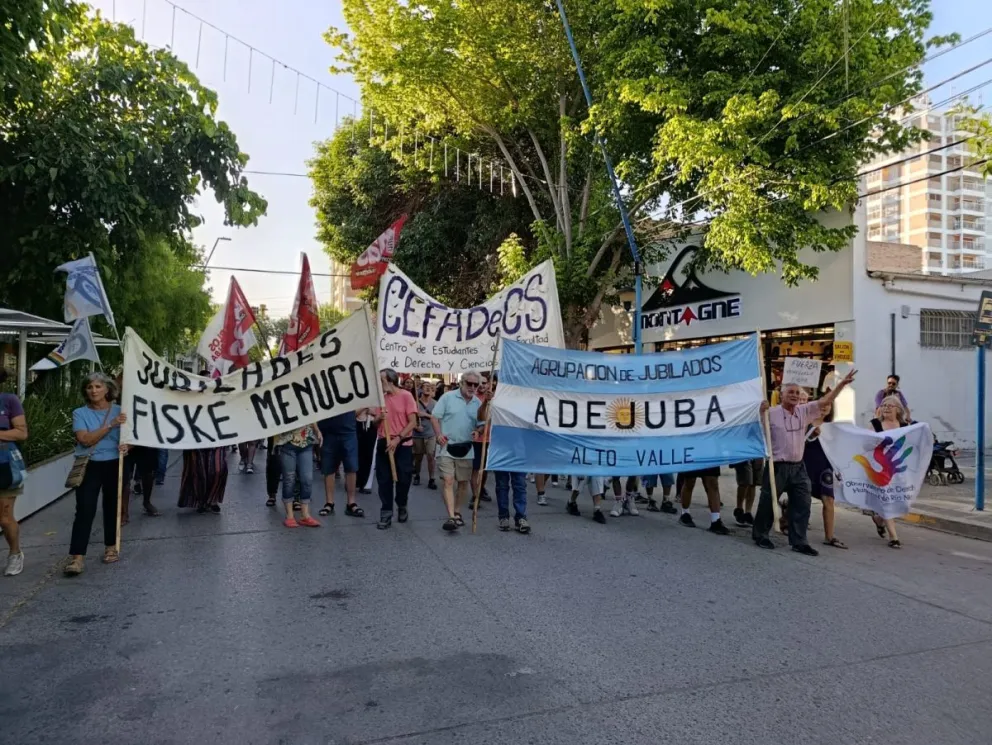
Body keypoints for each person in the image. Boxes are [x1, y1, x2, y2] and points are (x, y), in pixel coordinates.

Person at [752, 371, 857, 554]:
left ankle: (799, 541)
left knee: (802, 503)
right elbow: (755, 429)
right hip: (777, 466)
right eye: (790, 392)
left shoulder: (804, 411)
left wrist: (841, 385)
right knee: (768, 502)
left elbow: (825, 401)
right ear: (781, 395)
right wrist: (760, 411)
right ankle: (761, 535)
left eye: (797, 393)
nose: (794, 395)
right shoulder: (771, 413)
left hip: (798, 466)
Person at [65, 373, 127, 575]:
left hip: (114, 464)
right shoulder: (80, 413)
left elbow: (131, 437)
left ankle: (111, 547)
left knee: (112, 507)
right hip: (89, 465)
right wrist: (111, 425)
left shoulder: (120, 411)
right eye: (90, 387)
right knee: (84, 510)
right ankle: (77, 557)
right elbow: (85, 440)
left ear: (107, 389)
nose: (94, 390)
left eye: (98, 386)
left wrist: (128, 446)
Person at [432, 372, 482, 532]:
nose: (472, 387)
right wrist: (438, 434)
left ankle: (457, 512)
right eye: (469, 383)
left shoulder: (478, 403)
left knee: (463, 483)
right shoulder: (448, 397)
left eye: (476, 385)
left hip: (466, 448)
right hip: (447, 447)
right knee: (448, 481)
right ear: (462, 382)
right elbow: (434, 417)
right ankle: (451, 517)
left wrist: (478, 431)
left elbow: (482, 423)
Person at [178, 370, 230, 516]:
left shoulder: (219, 397)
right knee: (198, 471)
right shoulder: (191, 399)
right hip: (196, 440)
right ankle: (202, 501)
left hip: (217, 439)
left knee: (218, 469)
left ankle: (213, 499)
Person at [478, 387, 529, 534]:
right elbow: (482, 418)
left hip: (519, 451)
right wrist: (486, 402)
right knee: (502, 486)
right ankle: (503, 517)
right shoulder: (495, 403)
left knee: (519, 485)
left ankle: (520, 517)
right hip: (500, 450)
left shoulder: (524, 405)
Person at [373, 368, 417, 530]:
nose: (380, 383)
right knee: (384, 479)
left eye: (382, 380)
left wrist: (398, 438)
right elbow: (374, 424)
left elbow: (413, 422)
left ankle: (402, 503)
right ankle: (386, 512)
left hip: (403, 442)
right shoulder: (381, 399)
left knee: (404, 478)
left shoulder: (406, 396)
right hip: (385, 441)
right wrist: (379, 418)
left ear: (390, 381)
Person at [803, 397, 846, 549]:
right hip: (806, 465)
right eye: (822, 404)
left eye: (828, 405)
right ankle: (790, 523)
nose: (824, 407)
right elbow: (797, 443)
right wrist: (811, 435)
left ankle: (830, 536)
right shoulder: (805, 423)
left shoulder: (833, 428)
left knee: (828, 499)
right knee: (803, 500)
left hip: (826, 468)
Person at [868, 395, 907, 548]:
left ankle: (878, 519)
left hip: (898, 469)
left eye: (890, 406)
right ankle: (893, 537)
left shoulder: (905, 425)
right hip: (880, 468)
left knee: (897, 500)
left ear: (898, 409)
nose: (886, 408)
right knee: (886, 500)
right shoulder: (875, 424)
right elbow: (865, 442)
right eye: (884, 405)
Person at [0, 372, 28, 577]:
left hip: (5, 465)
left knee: (4, 517)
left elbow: (21, 433)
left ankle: (15, 553)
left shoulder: (8, 400)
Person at [317, 411, 364, 518]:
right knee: (328, 468)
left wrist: (359, 410)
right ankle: (329, 502)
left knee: (351, 467)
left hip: (348, 430)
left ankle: (351, 502)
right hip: (328, 430)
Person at [275, 422, 322, 527]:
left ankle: (305, 515)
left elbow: (311, 414)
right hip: (286, 441)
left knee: (307, 479)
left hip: (306, 441)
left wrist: (317, 430)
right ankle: (290, 516)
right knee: (289, 479)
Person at [677, 466, 729, 534]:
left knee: (713, 482)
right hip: (693, 456)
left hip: (709, 456)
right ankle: (685, 513)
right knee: (689, 481)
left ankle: (716, 520)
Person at [413, 382, 438, 489]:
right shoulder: (415, 403)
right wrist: (415, 427)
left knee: (430, 456)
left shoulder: (435, 403)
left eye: (430, 387)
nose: (428, 389)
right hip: (418, 435)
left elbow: (437, 418)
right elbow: (409, 418)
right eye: (426, 387)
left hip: (430, 434)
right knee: (418, 457)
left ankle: (431, 478)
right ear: (421, 389)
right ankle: (417, 475)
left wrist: (425, 414)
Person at [732, 458, 764, 526]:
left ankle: (748, 512)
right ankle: (739, 509)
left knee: (754, 482)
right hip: (743, 451)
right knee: (745, 480)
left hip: (757, 450)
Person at [355, 408, 377, 495]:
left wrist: (373, 413)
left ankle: (364, 483)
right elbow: (353, 413)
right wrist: (365, 407)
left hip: (371, 425)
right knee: (357, 454)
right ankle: (355, 480)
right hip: (358, 425)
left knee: (368, 455)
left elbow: (380, 413)